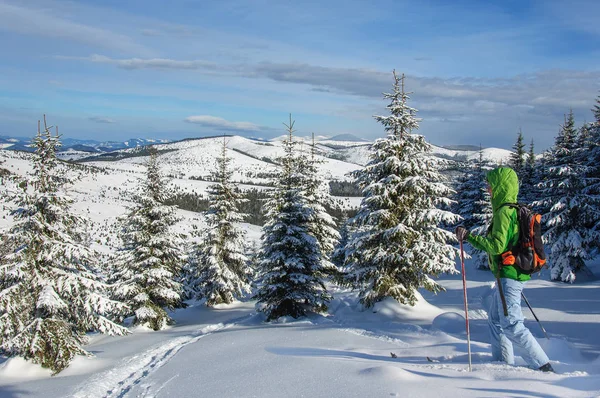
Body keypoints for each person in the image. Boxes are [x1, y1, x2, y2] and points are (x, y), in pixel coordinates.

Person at [455, 166, 553, 372]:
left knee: (511, 324)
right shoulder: (514, 209)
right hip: (512, 273)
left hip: (509, 275)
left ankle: (544, 367)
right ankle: (502, 365)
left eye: (490, 185)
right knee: (496, 321)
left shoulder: (503, 213)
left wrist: (469, 237)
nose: (488, 189)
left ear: (500, 186)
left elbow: (496, 246)